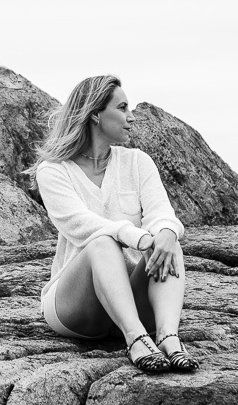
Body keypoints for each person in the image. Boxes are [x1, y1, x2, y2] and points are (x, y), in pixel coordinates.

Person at [29, 74, 199, 374]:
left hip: (129, 301)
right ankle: (135, 340)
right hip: (77, 308)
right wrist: (139, 238)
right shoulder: (53, 171)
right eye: (122, 108)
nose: (131, 117)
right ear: (95, 113)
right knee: (102, 242)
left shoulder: (137, 161)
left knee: (168, 241)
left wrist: (165, 234)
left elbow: (162, 213)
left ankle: (169, 338)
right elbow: (82, 225)